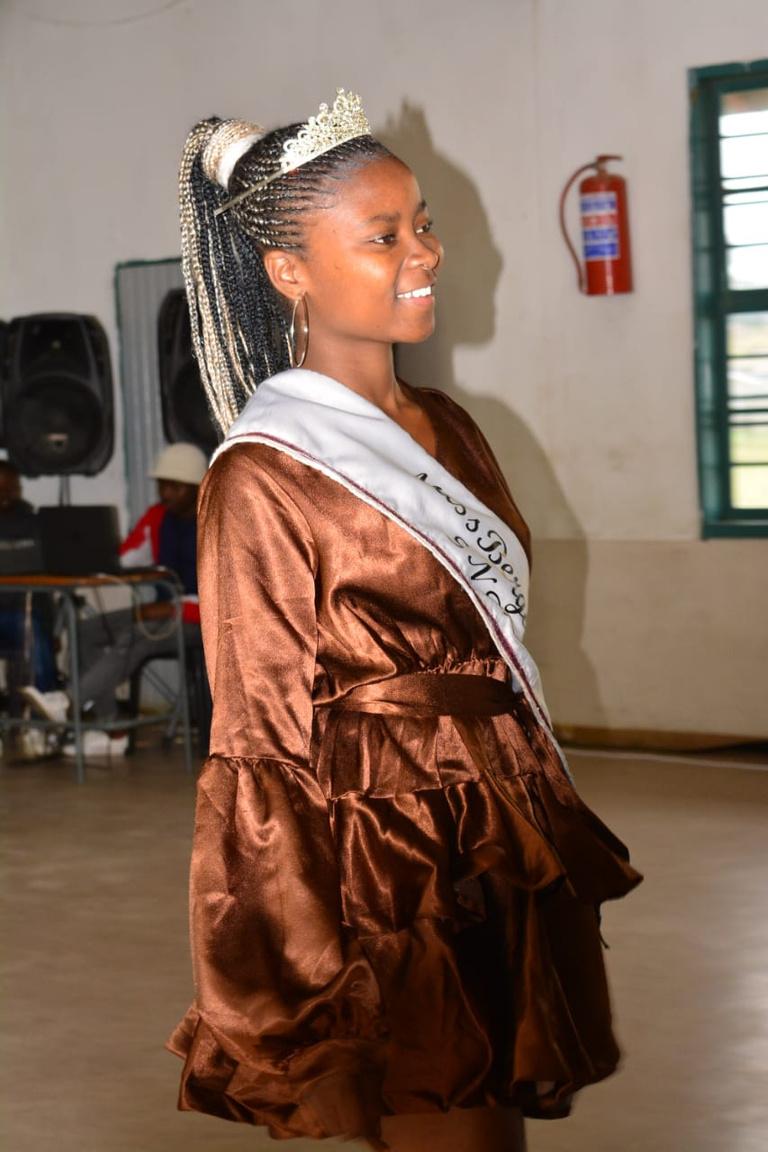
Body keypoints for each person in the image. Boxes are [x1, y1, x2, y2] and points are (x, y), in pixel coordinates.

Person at [167, 91, 642, 1151]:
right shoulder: (263, 474)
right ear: (288, 271)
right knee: (448, 1121)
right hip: (385, 853)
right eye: (382, 236)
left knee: (494, 1117)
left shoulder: (452, 425)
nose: (425, 252)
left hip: (493, 814)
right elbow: (258, 740)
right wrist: (292, 950)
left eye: (422, 223)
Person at [22, 443, 206, 756]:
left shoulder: (218, 522)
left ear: (198, 487)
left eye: (174, 487)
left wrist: (170, 608)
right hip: (161, 615)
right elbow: (125, 559)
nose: (165, 494)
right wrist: (91, 553)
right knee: (86, 631)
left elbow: (228, 597)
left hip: (202, 621)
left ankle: (67, 702)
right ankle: (111, 730)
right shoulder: (158, 517)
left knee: (135, 634)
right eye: (162, 485)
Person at [0, 460, 59, 711]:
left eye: (10, 489)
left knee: (31, 629)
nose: (5, 495)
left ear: (19, 489)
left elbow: (49, 580)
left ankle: (44, 715)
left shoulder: (35, 523)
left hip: (25, 616)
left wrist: (54, 629)